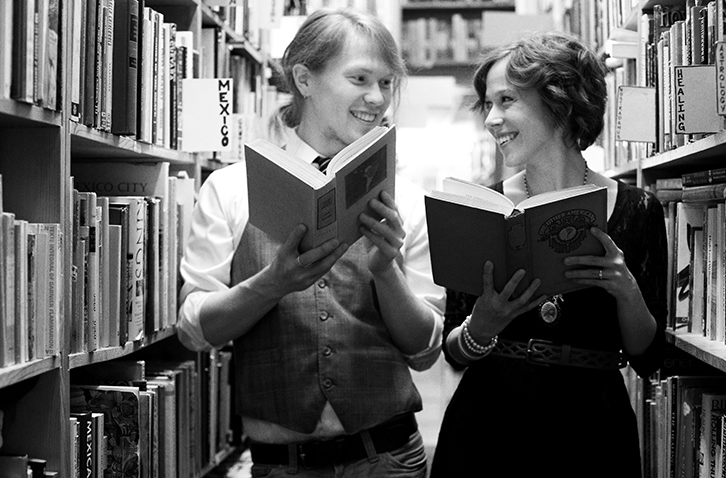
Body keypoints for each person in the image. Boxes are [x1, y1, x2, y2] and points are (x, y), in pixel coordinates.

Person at [176, 8, 445, 477]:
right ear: (304, 78)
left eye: (386, 83)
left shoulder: (409, 199)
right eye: (360, 78)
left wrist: (386, 271)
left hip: (389, 458)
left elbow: (424, 351)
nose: (377, 98)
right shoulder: (232, 187)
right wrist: (270, 286)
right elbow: (195, 330)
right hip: (282, 465)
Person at [430, 31, 668, 477]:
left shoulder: (638, 210)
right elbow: (455, 352)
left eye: (506, 100)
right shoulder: (483, 210)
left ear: (560, 101)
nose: (491, 119)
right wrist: (483, 325)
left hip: (592, 428)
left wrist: (627, 292)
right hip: (488, 423)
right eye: (488, 104)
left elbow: (649, 357)